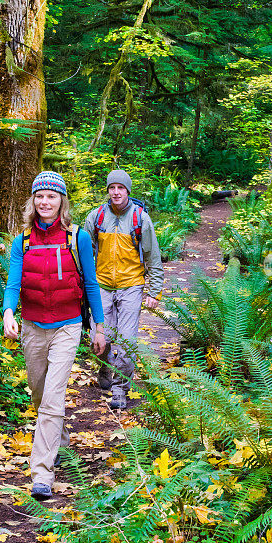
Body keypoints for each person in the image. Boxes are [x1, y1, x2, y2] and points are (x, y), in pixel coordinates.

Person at [3, 171, 106, 500]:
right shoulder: (23, 241)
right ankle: (59, 441)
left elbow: (90, 284)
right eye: (40, 196)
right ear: (33, 201)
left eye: (52, 196)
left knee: (52, 399)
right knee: (38, 393)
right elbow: (13, 283)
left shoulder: (78, 239)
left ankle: (42, 474)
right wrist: (8, 312)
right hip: (32, 326)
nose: (45, 201)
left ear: (62, 201)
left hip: (67, 325)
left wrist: (99, 327)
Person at [84, 169, 164, 409]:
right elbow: (83, 255)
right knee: (99, 338)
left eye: (121, 188)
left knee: (127, 341)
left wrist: (154, 291)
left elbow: (153, 256)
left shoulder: (140, 218)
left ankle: (120, 388)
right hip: (101, 285)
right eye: (112, 187)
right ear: (108, 190)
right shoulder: (96, 217)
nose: (116, 192)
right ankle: (106, 366)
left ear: (128, 190)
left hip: (131, 286)